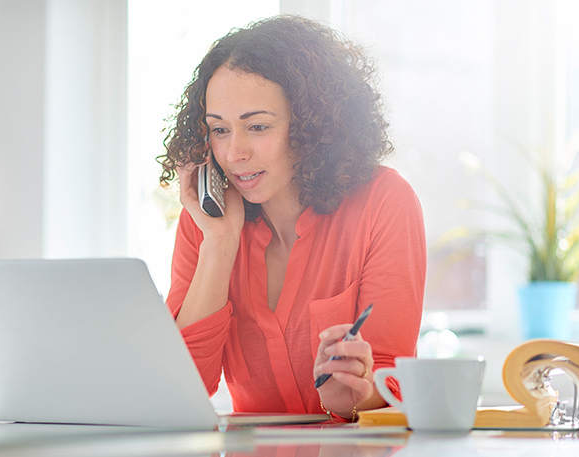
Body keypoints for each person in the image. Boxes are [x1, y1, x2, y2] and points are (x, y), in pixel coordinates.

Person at [157, 15, 425, 421]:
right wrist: (220, 244)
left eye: (258, 126)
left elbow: (391, 380)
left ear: (312, 126)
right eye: (220, 130)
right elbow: (177, 391)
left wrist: (353, 394)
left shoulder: (384, 202)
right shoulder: (206, 224)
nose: (234, 154)